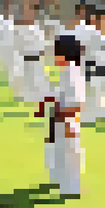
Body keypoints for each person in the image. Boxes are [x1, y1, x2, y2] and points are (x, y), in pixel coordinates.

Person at [38, 34, 86, 197]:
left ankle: (71, 189)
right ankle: (63, 185)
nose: (53, 56)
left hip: (67, 118)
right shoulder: (67, 71)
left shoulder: (72, 72)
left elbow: (77, 103)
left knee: (70, 155)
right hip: (62, 118)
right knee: (62, 153)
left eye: (56, 52)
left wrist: (64, 119)